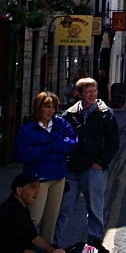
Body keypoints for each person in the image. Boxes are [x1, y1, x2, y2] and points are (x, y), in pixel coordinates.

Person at [53, 77, 120, 253]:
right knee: (64, 207)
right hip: (72, 169)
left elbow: (113, 143)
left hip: (94, 169)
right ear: (79, 94)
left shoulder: (106, 114)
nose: (92, 95)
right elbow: (62, 139)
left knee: (95, 207)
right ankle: (55, 242)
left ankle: (95, 240)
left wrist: (100, 162)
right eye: (88, 92)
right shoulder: (69, 114)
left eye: (94, 91)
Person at [14, 92, 78, 244]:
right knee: (34, 218)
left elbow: (71, 142)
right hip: (38, 179)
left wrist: (48, 148)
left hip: (58, 177)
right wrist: (50, 149)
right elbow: (22, 154)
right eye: (47, 107)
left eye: (54, 107)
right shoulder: (28, 128)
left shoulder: (60, 123)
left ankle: (46, 249)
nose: (51, 111)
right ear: (38, 108)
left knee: (51, 221)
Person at [1, 170, 65, 253]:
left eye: (38, 187)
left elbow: (34, 237)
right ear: (19, 190)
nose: (37, 191)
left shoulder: (22, 208)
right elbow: (17, 248)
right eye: (33, 187)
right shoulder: (10, 213)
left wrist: (51, 249)